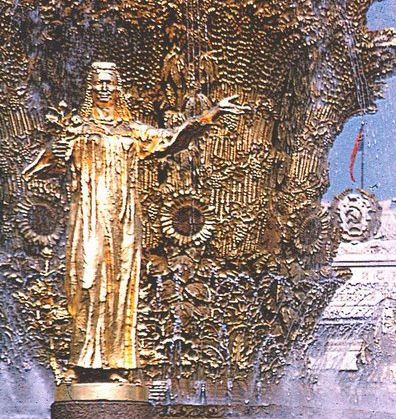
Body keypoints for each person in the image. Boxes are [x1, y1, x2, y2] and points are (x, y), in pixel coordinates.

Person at [22, 61, 248, 381]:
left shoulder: (132, 131)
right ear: (91, 87)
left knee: (117, 287)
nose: (104, 89)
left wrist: (210, 116)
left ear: (117, 88)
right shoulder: (77, 129)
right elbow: (42, 168)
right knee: (86, 281)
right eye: (99, 83)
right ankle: (80, 361)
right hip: (87, 217)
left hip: (123, 219)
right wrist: (52, 155)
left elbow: (173, 139)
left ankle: (114, 364)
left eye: (109, 83)